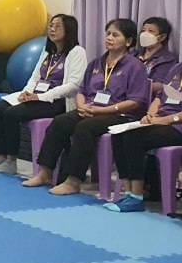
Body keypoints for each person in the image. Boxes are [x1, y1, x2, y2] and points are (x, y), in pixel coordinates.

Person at [107, 20, 182, 212]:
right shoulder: (179, 68)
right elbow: (160, 96)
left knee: (134, 137)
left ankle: (137, 195)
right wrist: (151, 113)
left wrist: (167, 120)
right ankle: (128, 191)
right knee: (119, 133)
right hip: (161, 120)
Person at [25, 18, 150, 194]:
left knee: (84, 128)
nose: (110, 38)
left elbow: (136, 101)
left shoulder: (135, 66)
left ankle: (73, 180)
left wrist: (102, 110)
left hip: (119, 114)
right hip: (91, 109)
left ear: (128, 41)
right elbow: (82, 90)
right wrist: (82, 106)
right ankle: (45, 172)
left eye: (115, 35)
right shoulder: (96, 63)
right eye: (108, 34)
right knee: (60, 122)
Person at [0, 14, 87, 175]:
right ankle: (1, 157)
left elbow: (73, 85)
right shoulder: (48, 52)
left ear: (69, 30)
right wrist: (26, 92)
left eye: (57, 26)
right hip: (36, 97)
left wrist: (40, 97)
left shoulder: (77, 52)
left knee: (12, 113)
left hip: (56, 101)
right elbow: (35, 77)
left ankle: (11, 161)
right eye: (51, 26)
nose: (52, 29)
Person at [135, 16, 177, 85]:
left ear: (162, 37)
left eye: (150, 31)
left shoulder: (167, 60)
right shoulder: (133, 55)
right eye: (143, 30)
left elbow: (159, 84)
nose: (144, 34)